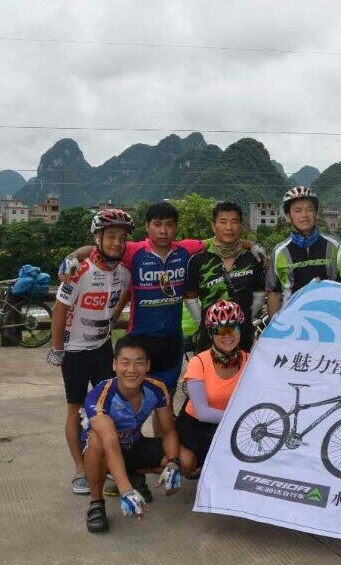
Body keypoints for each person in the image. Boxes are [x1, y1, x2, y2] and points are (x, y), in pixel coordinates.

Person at [61, 202, 205, 393]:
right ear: (147, 226)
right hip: (139, 340)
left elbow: (218, 242)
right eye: (157, 224)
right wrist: (72, 256)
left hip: (172, 341)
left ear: (176, 227)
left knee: (166, 398)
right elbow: (99, 248)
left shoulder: (186, 249)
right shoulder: (134, 251)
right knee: (133, 399)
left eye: (169, 225)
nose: (163, 231)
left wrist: (246, 244)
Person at [49, 209, 133, 495]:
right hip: (74, 351)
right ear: (98, 237)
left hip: (102, 348)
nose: (117, 243)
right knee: (75, 410)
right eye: (111, 236)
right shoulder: (79, 271)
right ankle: (80, 470)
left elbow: (125, 294)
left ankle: (105, 462)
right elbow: (58, 310)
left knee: (105, 408)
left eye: (122, 238)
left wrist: (113, 319)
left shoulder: (122, 272)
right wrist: (57, 349)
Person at [81, 335, 181, 533]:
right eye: (125, 363)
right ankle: (96, 503)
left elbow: (169, 431)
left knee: (186, 461)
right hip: (103, 450)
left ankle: (135, 474)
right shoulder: (100, 396)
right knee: (97, 439)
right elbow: (110, 443)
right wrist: (125, 490)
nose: (132, 370)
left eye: (139, 363)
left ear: (148, 365)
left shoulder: (157, 388)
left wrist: (173, 463)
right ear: (114, 365)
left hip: (133, 443)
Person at [176, 300, 249, 476]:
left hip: (232, 426)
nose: (227, 335)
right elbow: (202, 412)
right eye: (220, 330)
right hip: (198, 428)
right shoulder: (198, 362)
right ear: (210, 333)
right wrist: (243, 419)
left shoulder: (249, 360)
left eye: (233, 328)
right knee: (188, 465)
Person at [184, 201, 265, 352]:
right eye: (223, 222)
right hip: (209, 340)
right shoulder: (198, 260)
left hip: (243, 338)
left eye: (234, 222)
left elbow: (259, 298)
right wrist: (205, 322)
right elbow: (190, 299)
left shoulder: (253, 259)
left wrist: (243, 318)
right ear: (213, 226)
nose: (229, 227)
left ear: (241, 225)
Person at [265, 186, 339, 316]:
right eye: (298, 210)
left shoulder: (335, 245)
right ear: (288, 217)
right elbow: (274, 293)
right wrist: (274, 325)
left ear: (316, 214)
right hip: (292, 321)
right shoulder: (279, 251)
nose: (304, 215)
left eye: (309, 210)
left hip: (329, 319)